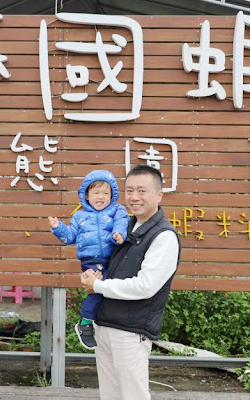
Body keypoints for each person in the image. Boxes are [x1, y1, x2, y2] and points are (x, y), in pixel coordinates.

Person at [81, 164, 180, 400]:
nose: (134, 197)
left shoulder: (164, 236)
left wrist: (99, 287)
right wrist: (90, 274)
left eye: (142, 191)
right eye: (129, 190)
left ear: (159, 195)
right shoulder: (123, 227)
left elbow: (145, 285)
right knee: (111, 395)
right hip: (104, 325)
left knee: (132, 395)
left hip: (131, 332)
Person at [48, 169, 129, 350]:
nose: (101, 197)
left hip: (114, 258)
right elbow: (69, 237)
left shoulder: (117, 210)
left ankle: (96, 322)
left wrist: (119, 233)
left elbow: (122, 222)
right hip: (92, 260)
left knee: (110, 290)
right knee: (97, 289)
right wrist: (58, 227)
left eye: (105, 193)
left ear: (113, 194)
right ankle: (85, 322)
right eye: (96, 192)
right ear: (86, 195)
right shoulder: (79, 216)